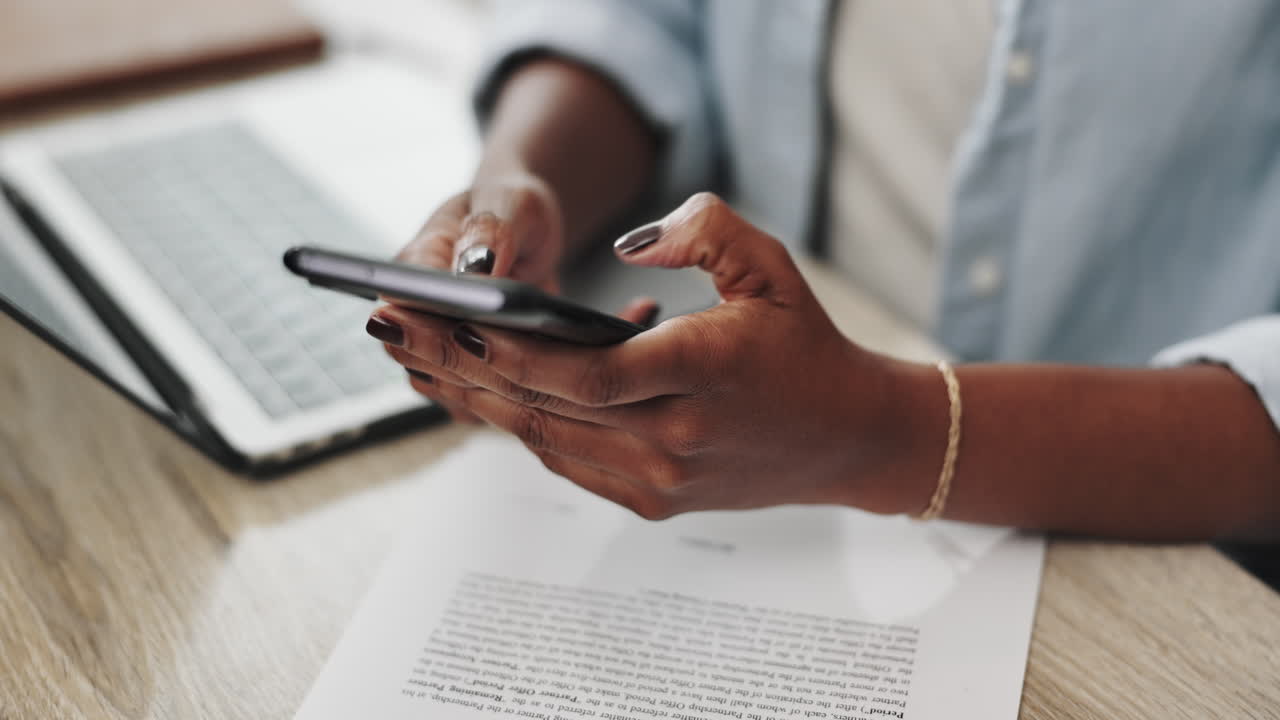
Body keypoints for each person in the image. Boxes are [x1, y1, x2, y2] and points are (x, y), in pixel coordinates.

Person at [362, 1, 1280, 543]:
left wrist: (883, 433)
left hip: (1171, 546)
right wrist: (525, 180)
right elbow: (646, 16)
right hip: (755, 442)